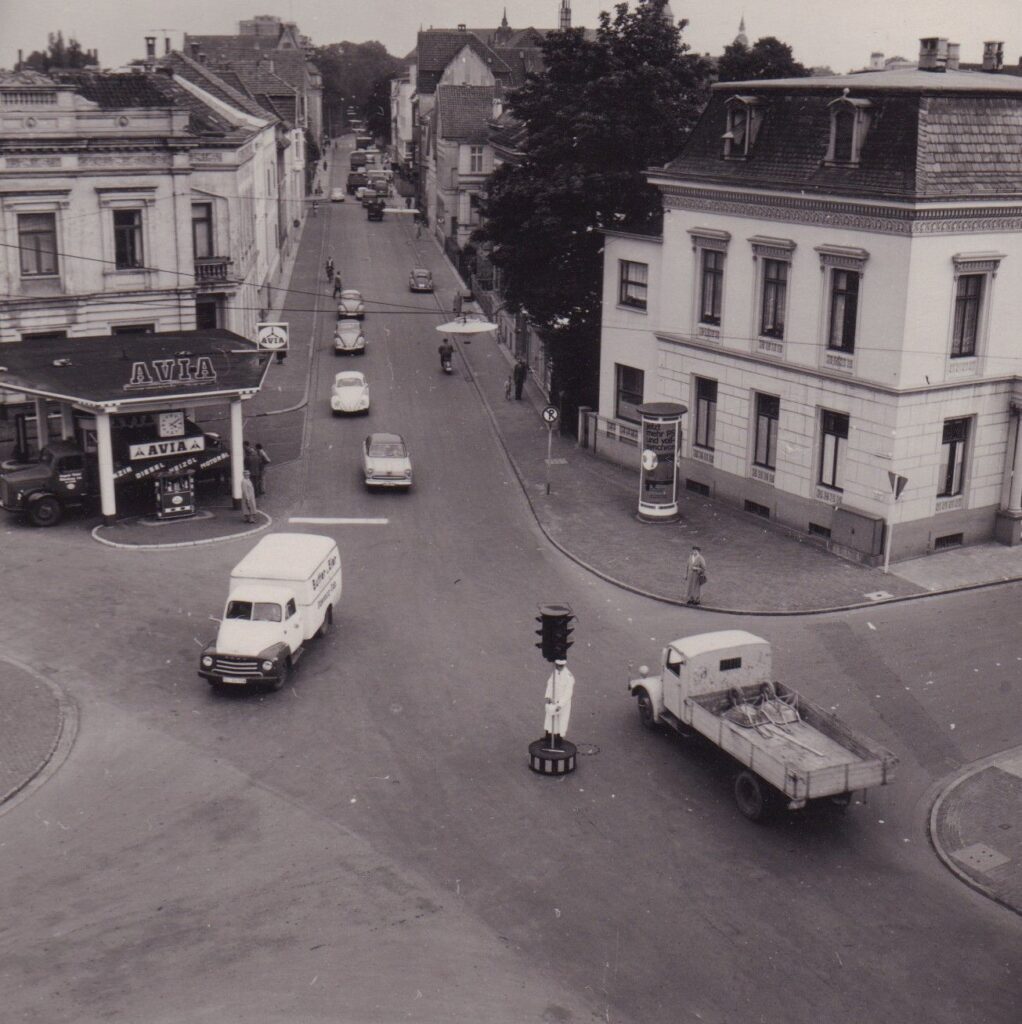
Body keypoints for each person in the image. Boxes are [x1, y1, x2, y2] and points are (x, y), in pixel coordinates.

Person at [543, 660, 575, 750]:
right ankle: (548, 738)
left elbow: (568, 693)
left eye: (560, 666)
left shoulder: (569, 677)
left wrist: (560, 704)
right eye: (557, 666)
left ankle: (559, 741)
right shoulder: (555, 672)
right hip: (553, 701)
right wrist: (548, 696)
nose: (559, 668)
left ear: (564, 665)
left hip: (562, 704)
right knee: (549, 720)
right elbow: (550, 684)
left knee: (561, 722)